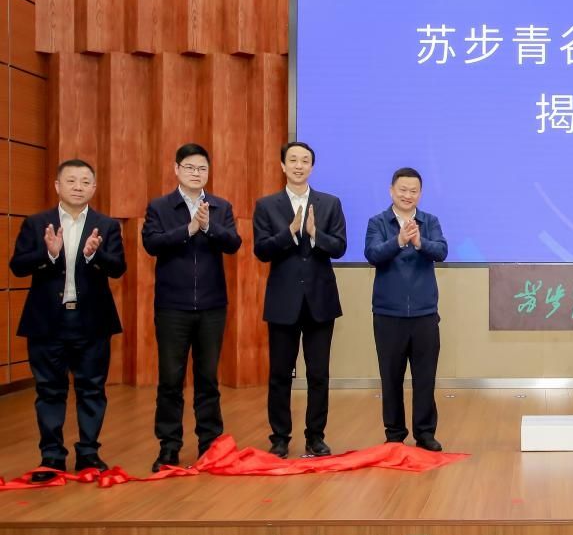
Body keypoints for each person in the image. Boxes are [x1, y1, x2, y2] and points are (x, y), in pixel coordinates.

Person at [9, 160, 126, 482]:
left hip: (92, 321)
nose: (78, 186)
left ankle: (88, 453)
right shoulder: (36, 223)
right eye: (71, 180)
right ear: (57, 186)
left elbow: (118, 268)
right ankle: (51, 456)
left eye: (85, 181)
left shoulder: (106, 226)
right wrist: (48, 254)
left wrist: (94, 255)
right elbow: (17, 266)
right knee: (49, 390)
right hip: (47, 321)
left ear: (94, 188)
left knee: (92, 389)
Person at [142, 143, 242, 472]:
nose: (196, 173)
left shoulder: (220, 206)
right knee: (171, 379)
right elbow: (151, 243)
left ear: (208, 172)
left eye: (201, 168)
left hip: (212, 306)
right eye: (189, 167)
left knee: (207, 378)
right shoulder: (160, 207)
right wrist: (188, 230)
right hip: (172, 307)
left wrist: (209, 226)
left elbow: (233, 243)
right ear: (176, 169)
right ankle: (169, 446)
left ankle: (210, 444)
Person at [252, 141, 347, 458]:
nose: (298, 165)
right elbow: (261, 250)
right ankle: (280, 438)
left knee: (318, 374)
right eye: (292, 160)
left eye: (305, 160)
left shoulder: (329, 203)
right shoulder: (267, 206)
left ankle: (315, 437)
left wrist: (315, 234)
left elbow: (340, 247)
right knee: (280, 374)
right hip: (283, 302)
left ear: (312, 167)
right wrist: (290, 231)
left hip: (320, 300)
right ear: (282, 165)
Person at [364, 167, 448, 451]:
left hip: (425, 313)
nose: (407, 195)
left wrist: (420, 242)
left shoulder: (429, 221)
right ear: (391, 191)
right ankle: (394, 433)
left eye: (413, 191)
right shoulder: (378, 222)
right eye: (403, 190)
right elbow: (373, 254)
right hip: (388, 314)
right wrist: (399, 241)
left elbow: (441, 251)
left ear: (420, 194)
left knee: (425, 377)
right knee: (391, 378)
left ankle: (425, 433)